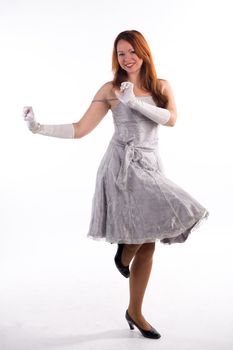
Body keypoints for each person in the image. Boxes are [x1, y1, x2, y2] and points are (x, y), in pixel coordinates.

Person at [23, 29, 209, 340]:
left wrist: (134, 102)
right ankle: (123, 257)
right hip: (121, 167)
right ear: (117, 57)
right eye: (121, 54)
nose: (127, 58)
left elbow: (172, 119)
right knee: (142, 236)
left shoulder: (161, 86)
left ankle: (134, 310)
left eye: (132, 51)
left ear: (144, 52)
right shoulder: (109, 90)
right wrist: (38, 128)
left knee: (149, 240)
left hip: (151, 165)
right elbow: (81, 128)